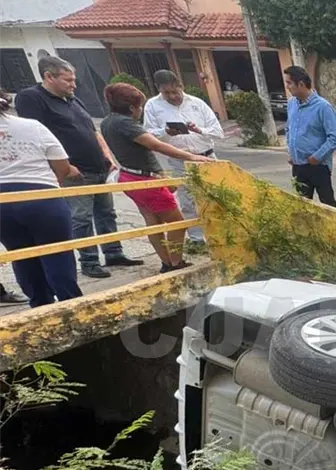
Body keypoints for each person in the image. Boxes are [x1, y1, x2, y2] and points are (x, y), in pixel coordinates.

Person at [16, 56, 144, 279]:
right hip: (74, 171)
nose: (73, 85)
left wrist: (106, 154)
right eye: (67, 80)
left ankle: (113, 252)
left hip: (97, 167)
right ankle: (89, 261)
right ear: (48, 76)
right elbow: (36, 138)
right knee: (81, 218)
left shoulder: (73, 100)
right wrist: (64, 167)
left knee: (106, 214)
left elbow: (91, 130)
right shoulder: (32, 99)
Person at [100, 83, 214, 273]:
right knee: (178, 223)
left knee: (153, 222)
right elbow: (157, 146)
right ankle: (175, 262)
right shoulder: (126, 124)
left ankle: (166, 262)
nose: (141, 110)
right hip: (145, 180)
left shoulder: (107, 122)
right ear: (131, 108)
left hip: (129, 176)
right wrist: (192, 156)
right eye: (139, 107)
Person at [0, 88, 83, 308]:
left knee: (21, 254)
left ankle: (40, 307)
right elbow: (62, 164)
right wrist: (51, 183)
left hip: (2, 205)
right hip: (42, 196)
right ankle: (72, 305)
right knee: (57, 254)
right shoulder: (31, 126)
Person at [143, 69, 224, 244]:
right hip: (180, 161)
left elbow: (218, 132)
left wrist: (199, 130)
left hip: (207, 157)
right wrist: (166, 132)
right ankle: (197, 239)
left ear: (181, 86)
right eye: (166, 93)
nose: (172, 96)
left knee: (217, 196)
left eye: (175, 91)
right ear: (159, 89)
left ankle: (220, 235)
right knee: (188, 201)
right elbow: (149, 135)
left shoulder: (197, 103)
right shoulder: (152, 106)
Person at [284, 66, 336, 206]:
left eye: (290, 83)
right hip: (298, 166)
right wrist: (292, 152)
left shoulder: (323, 107)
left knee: (327, 206)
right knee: (301, 206)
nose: (287, 87)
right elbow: (289, 129)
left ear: (301, 84)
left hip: (318, 166)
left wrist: (317, 157)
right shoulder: (292, 104)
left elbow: (334, 138)